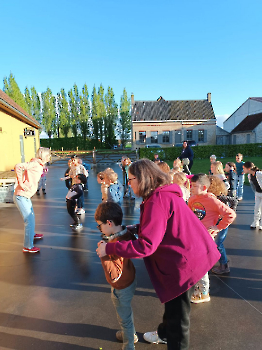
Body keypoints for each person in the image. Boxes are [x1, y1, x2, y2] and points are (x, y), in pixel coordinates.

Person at [97, 159, 220, 349]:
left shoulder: (157, 200)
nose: (129, 184)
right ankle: (163, 333)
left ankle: (173, 340)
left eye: (131, 180)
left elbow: (146, 246)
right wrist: (137, 227)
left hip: (185, 264)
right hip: (187, 256)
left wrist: (110, 248)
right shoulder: (159, 196)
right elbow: (160, 225)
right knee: (172, 307)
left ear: (143, 179)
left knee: (178, 320)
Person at [95, 202, 138, 350]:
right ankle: (130, 334)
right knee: (126, 316)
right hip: (130, 280)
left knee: (124, 319)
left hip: (121, 288)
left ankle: (129, 345)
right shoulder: (125, 233)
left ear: (109, 222)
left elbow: (115, 276)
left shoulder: (114, 246)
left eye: (99, 225)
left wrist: (103, 254)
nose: (99, 229)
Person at [188, 174, 236, 303]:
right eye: (190, 186)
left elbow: (230, 214)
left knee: (201, 266)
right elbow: (190, 215)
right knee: (195, 264)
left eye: (194, 186)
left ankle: (203, 293)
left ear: (204, 187)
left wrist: (217, 227)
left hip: (206, 239)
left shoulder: (212, 200)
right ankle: (198, 287)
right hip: (194, 237)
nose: (191, 188)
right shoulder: (192, 199)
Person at [14, 147, 51, 253]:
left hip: (26, 196)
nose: (49, 157)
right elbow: (18, 166)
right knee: (29, 221)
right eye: (48, 155)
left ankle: (31, 234)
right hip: (21, 196)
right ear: (44, 155)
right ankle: (27, 246)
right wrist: (20, 183)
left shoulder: (39, 164)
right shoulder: (35, 163)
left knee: (32, 217)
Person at [208, 175, 238, 274]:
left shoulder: (219, 197)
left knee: (218, 244)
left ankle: (224, 265)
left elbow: (234, 200)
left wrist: (231, 211)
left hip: (222, 223)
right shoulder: (207, 197)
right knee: (212, 243)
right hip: (215, 223)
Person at [243, 162, 262, 229]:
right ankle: (255, 222)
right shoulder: (249, 176)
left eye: (244, 168)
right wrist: (256, 192)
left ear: (249, 168)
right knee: (256, 208)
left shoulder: (259, 173)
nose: (243, 170)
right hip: (258, 193)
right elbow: (253, 185)